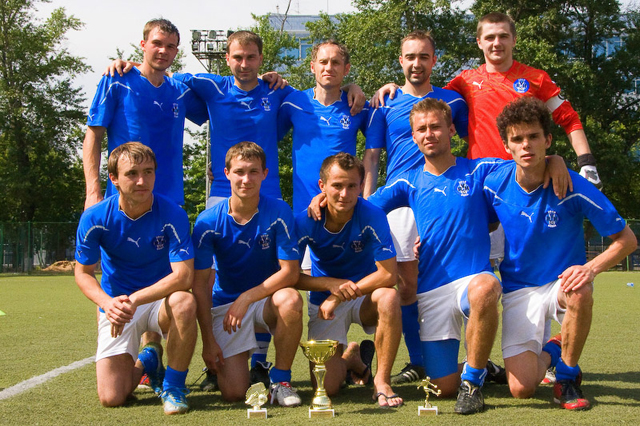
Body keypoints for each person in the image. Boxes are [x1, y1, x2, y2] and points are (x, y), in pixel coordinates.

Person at [484, 97, 637, 410]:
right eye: (517, 139)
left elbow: (627, 240)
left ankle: (566, 377)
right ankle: (555, 348)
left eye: (534, 136)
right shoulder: (493, 183)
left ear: (548, 140)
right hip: (519, 289)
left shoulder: (573, 185)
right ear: (506, 146)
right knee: (522, 388)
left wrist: (590, 269)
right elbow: (474, 221)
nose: (526, 145)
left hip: (560, 284)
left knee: (580, 289)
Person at [366, 98, 504, 414]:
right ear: (413, 136)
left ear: (451, 130)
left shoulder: (480, 170)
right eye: (421, 129)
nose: (429, 134)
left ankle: (472, 384)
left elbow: (525, 169)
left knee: (486, 288)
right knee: (442, 388)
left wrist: (553, 160)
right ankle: (482, 366)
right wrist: (324, 200)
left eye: (435, 127)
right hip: (432, 289)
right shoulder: (407, 181)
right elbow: (364, 209)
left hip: (472, 279)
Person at [364, 30, 469, 385]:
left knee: (453, 278)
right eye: (410, 56)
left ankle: (469, 361)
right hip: (401, 204)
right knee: (406, 286)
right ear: (400, 60)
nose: (416, 63)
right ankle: (418, 361)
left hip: (444, 199)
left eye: (424, 56)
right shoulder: (385, 103)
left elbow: (473, 143)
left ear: (434, 60)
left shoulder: (453, 101)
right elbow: (372, 158)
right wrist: (366, 208)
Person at [74, 142, 197, 415]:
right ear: (114, 178)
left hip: (158, 301)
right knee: (112, 397)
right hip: (117, 304)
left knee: (185, 302)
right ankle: (148, 360)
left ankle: (174, 387)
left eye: (148, 172)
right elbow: (83, 273)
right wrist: (107, 303)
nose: (142, 181)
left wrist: (135, 299)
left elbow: (184, 276)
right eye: (132, 173)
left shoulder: (173, 214)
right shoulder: (94, 218)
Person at [191, 142, 304, 407]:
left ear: (265, 174)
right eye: (239, 171)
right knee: (233, 393)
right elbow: (200, 285)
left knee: (290, 299)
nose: (246, 179)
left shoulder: (279, 211)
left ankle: (281, 381)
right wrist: (208, 341)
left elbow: (290, 272)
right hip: (226, 308)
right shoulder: (207, 221)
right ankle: (233, 366)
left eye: (253, 171)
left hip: (264, 302)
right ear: (226, 173)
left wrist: (246, 298)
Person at [445, 12, 602, 188]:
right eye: (490, 37)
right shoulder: (464, 81)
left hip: (526, 181)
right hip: (481, 180)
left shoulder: (536, 78)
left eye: (503, 36)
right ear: (479, 42)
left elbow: (569, 118)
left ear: (514, 40)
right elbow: (431, 108)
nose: (497, 43)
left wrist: (587, 163)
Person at [295, 153, 403, 408]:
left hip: (364, 296)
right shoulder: (304, 221)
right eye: (337, 185)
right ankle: (353, 359)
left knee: (389, 296)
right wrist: (329, 285)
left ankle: (382, 381)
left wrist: (338, 295)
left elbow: (389, 274)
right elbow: (289, 276)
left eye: (352, 186)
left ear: (361, 185)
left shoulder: (373, 215)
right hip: (323, 301)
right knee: (328, 387)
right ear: (322, 186)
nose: (344, 194)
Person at [84, 18, 207, 209]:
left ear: (176, 51)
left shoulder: (180, 92)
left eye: (170, 46)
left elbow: (224, 111)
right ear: (143, 45)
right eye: (157, 43)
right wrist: (92, 192)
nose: (163, 51)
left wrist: (220, 165)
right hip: (122, 199)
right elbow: (93, 135)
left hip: (168, 201)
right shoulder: (117, 80)